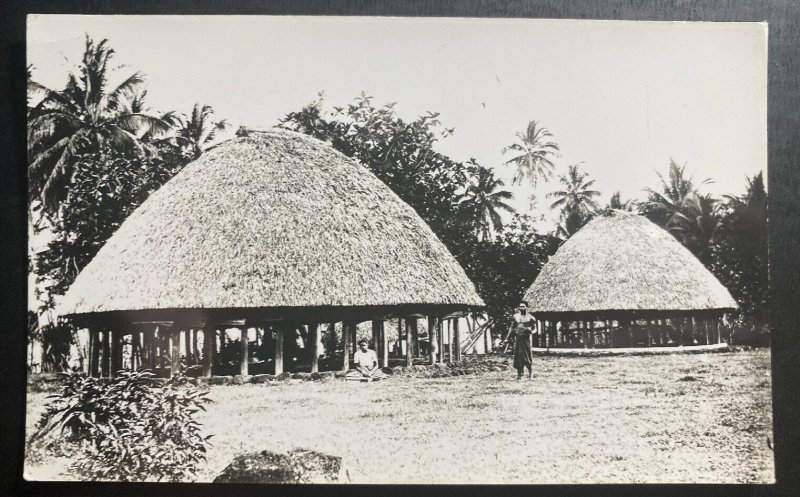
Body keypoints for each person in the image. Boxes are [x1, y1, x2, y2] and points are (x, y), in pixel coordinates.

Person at [508, 301, 536, 380]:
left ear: (527, 307)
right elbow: (512, 327)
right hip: (518, 338)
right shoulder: (515, 316)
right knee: (518, 356)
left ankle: (530, 373)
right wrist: (507, 338)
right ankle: (519, 374)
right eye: (520, 306)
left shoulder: (531, 317)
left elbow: (534, 329)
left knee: (526, 355)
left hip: (525, 338)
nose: (522, 308)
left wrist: (530, 331)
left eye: (523, 306)